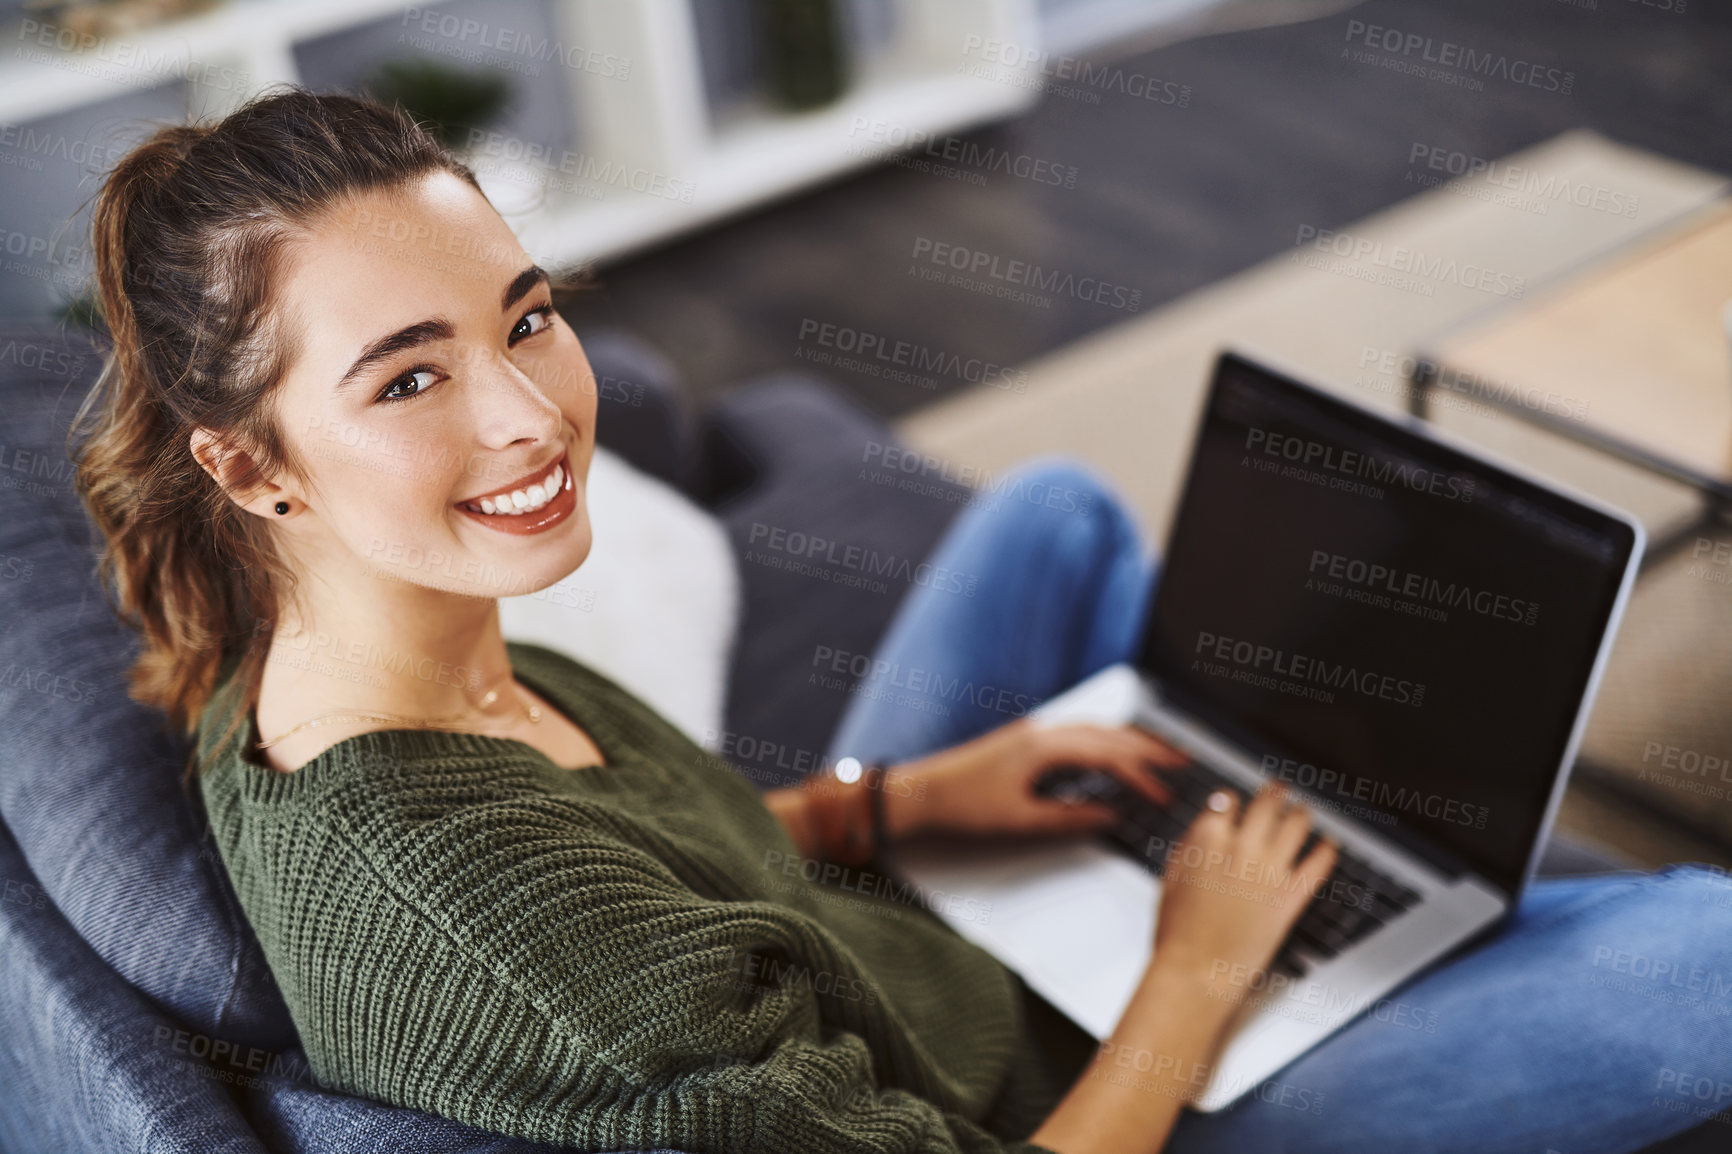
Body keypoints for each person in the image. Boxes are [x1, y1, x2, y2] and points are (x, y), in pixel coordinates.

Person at [70, 89, 1730, 1154]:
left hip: (915, 934)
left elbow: (669, 875)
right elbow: (609, 950)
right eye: (411, 376)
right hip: (1072, 1101)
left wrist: (906, 800)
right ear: (251, 463)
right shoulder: (483, 907)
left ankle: (1314, 847)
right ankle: (1347, 900)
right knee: (1696, 963)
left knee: (1052, 509)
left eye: (528, 318)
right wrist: (1197, 969)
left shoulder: (342, 642)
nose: (532, 419)